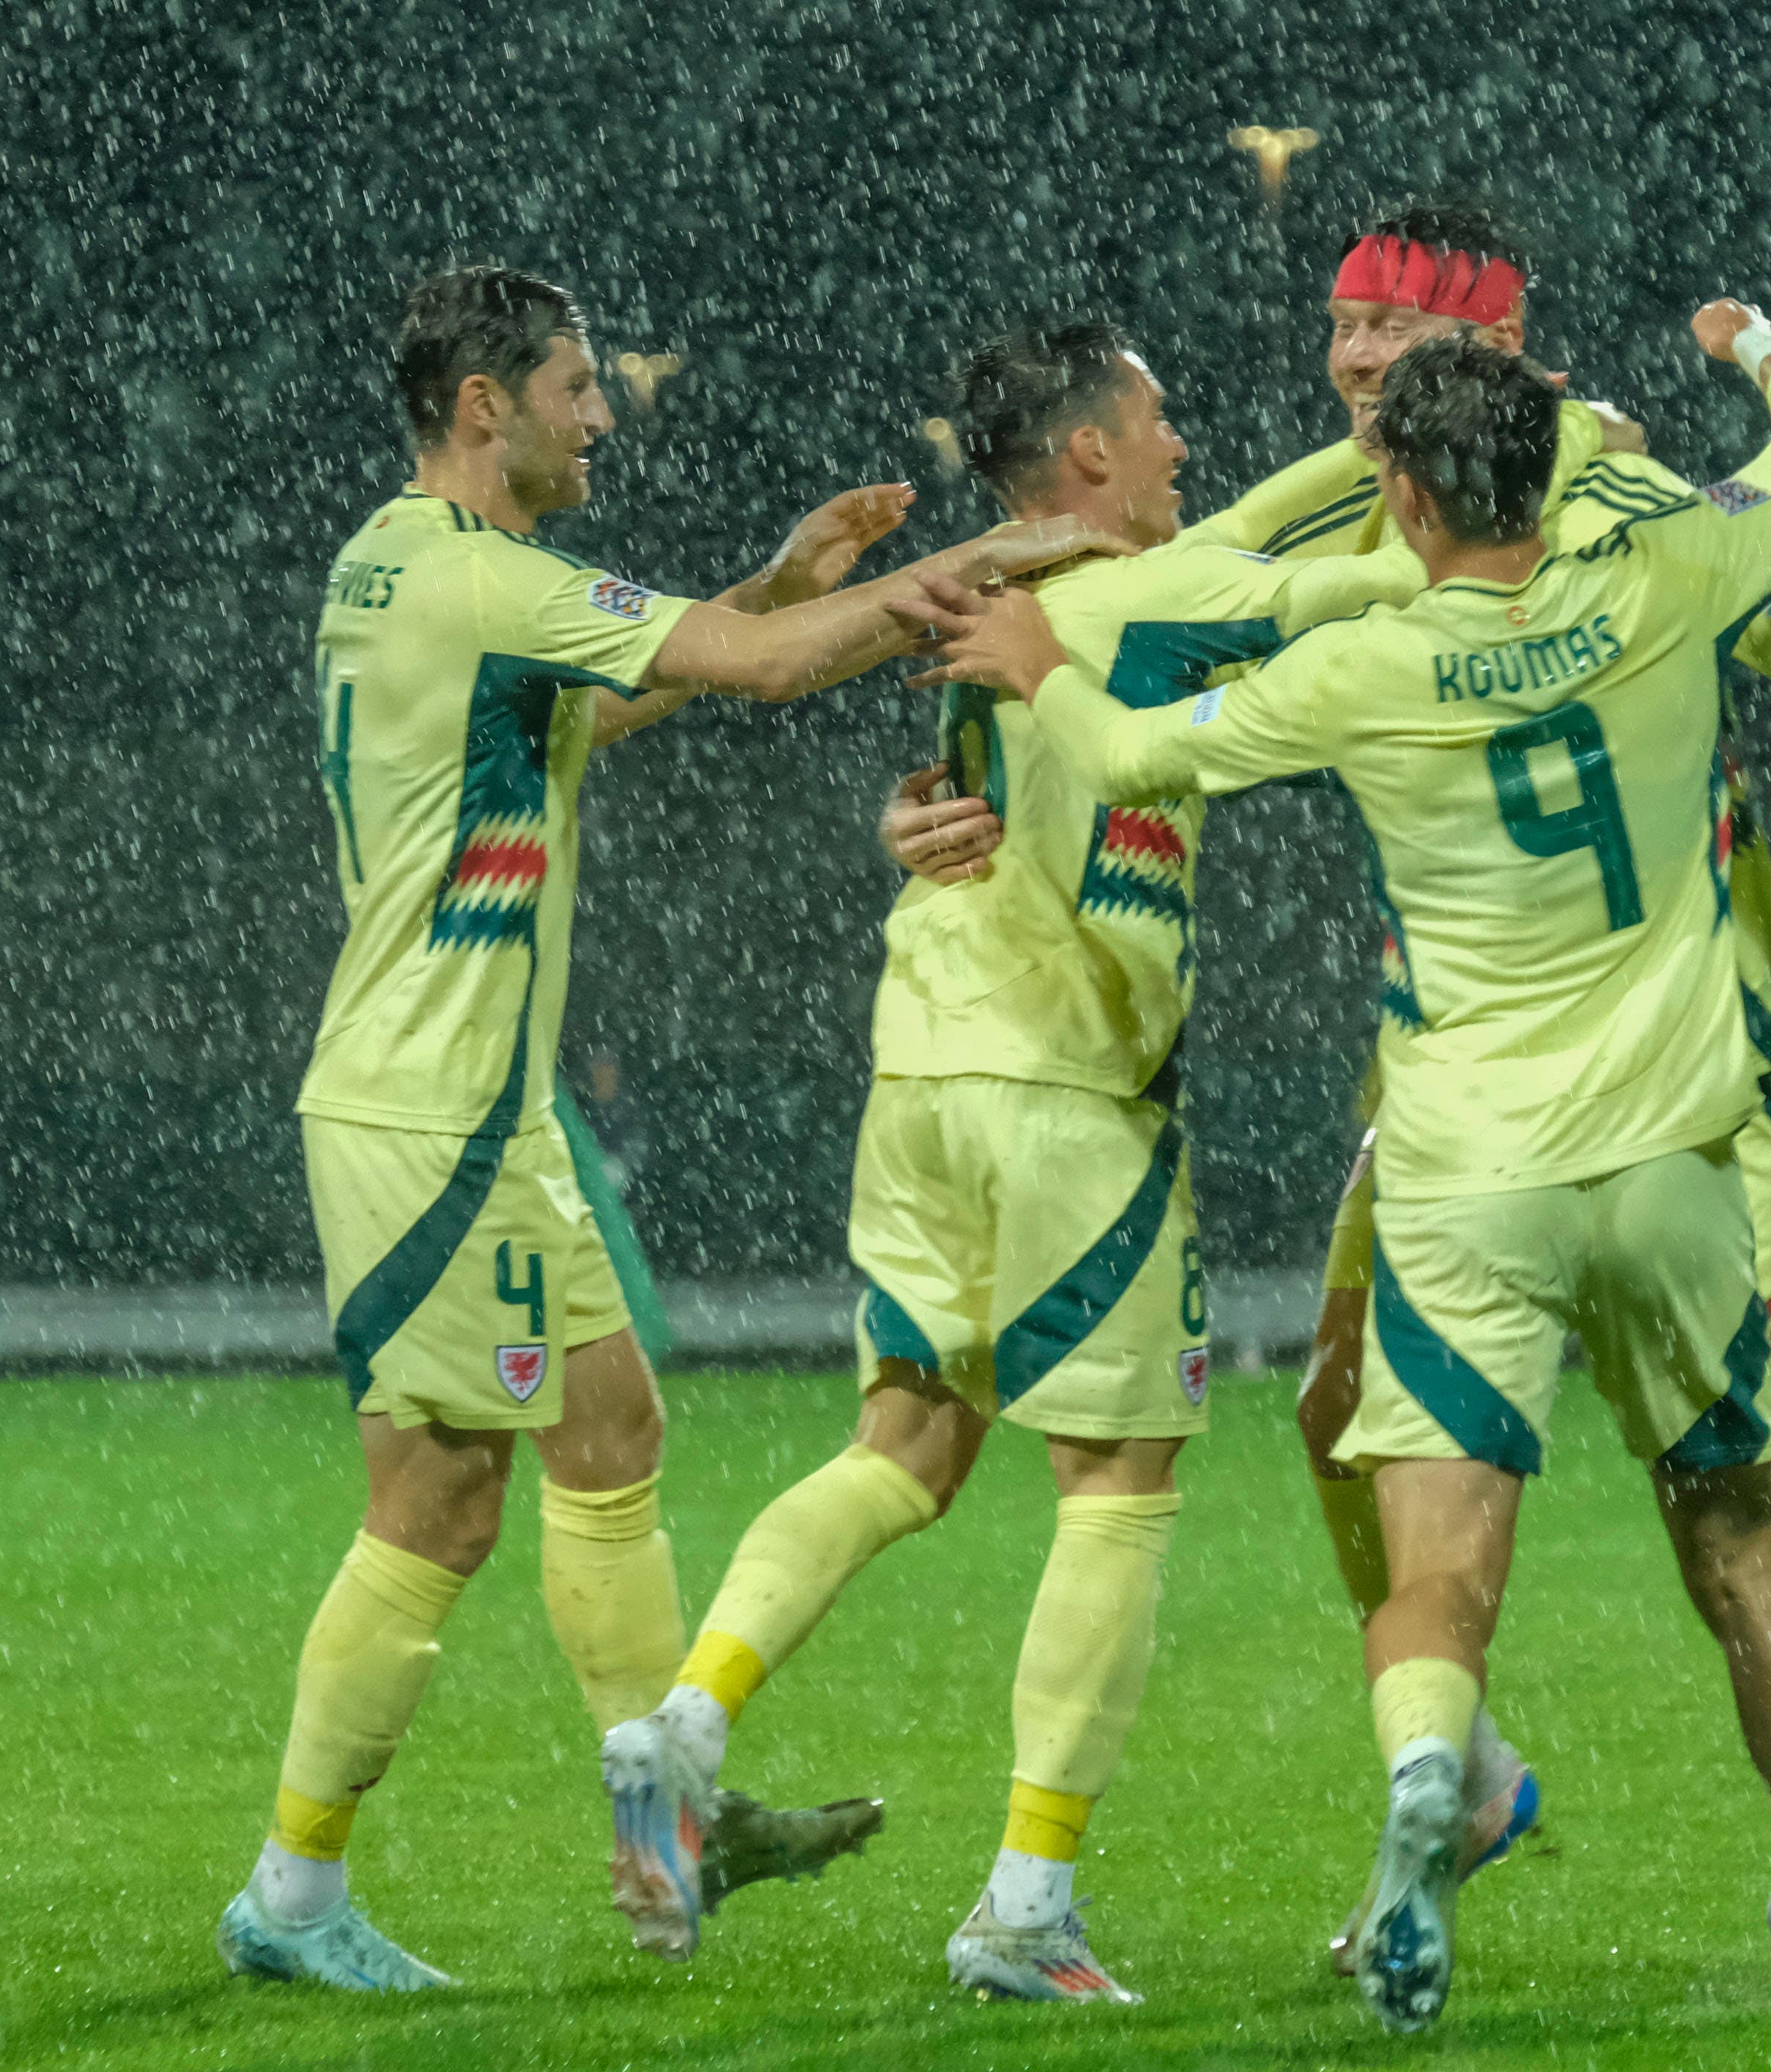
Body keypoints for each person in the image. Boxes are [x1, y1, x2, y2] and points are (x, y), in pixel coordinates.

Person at [890, 200, 1771, 1998]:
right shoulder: (1400, 499)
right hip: (1493, 1082)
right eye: (1340, 331)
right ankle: (1501, 1788)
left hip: (1669, 1079)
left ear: (1493, 369)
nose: (1352, 370)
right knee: (1352, 1407)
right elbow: (1171, 583)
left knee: (1743, 1492)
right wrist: (949, 727)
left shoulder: (1608, 501)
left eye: (1393, 347)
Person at [220, 263, 1114, 1992]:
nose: (601, 412)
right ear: (486, 408)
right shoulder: (487, 572)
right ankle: (298, 1891)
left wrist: (776, 585)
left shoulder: (394, 562)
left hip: (485, 1105)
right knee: (438, 1508)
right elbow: (776, 673)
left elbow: (603, 693)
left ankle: (667, 1829)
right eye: (573, 387)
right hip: (434, 1112)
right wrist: (981, 572)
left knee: (611, 1429)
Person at [592, 319, 1425, 1998]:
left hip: (920, 1060)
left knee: (902, 1444)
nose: (1184, 444)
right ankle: (1027, 1902)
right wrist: (1445, 461)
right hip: (1069, 1083)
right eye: (1160, 414)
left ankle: (684, 1723)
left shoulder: (987, 601)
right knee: (1117, 1485)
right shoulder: (1140, 593)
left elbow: (1234, 547)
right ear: (1094, 455)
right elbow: (1326, 569)